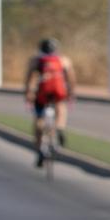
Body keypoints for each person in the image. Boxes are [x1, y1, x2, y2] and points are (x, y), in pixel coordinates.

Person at [23, 38, 75, 166]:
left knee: (39, 119)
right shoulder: (63, 60)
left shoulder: (36, 60)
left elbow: (29, 79)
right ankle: (60, 128)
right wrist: (71, 93)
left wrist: (28, 94)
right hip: (58, 92)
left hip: (42, 93)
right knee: (61, 108)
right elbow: (71, 78)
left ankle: (40, 148)